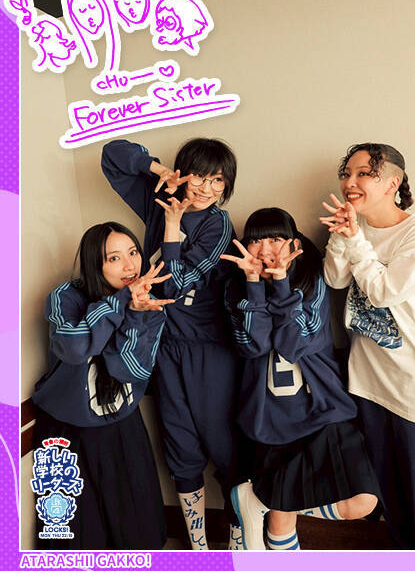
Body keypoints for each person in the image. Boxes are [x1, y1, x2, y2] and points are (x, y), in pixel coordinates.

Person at [101, 138, 242, 550]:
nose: (207, 188)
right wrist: (157, 169)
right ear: (184, 174)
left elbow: (177, 285)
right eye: (199, 176)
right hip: (163, 344)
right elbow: (112, 157)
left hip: (208, 348)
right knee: (180, 447)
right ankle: (199, 549)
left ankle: (241, 542)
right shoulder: (161, 197)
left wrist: (173, 228)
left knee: (226, 447)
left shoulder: (218, 224)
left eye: (218, 180)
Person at [319, 143, 415, 550]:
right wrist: (343, 237)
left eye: (364, 173)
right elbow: (334, 280)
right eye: (347, 173)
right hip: (370, 385)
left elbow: (383, 292)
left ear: (392, 183)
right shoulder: (355, 228)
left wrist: (355, 240)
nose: (351, 182)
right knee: (394, 506)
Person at [222, 207, 380, 550]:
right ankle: (266, 507)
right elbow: (254, 345)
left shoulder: (311, 279)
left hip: (322, 410)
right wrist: (254, 285)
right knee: (281, 519)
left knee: (362, 502)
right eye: (256, 240)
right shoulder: (235, 288)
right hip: (270, 417)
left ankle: (258, 500)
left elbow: (295, 344)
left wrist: (281, 284)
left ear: (294, 243)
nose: (266, 249)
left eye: (276, 239)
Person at [32, 221, 173, 550]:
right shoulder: (65, 297)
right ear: (95, 263)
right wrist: (120, 302)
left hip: (119, 427)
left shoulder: (150, 306)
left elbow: (128, 368)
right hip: (62, 429)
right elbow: (74, 348)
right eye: (114, 258)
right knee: (68, 535)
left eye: (133, 253)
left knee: (137, 533)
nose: (130, 265)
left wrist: (134, 313)